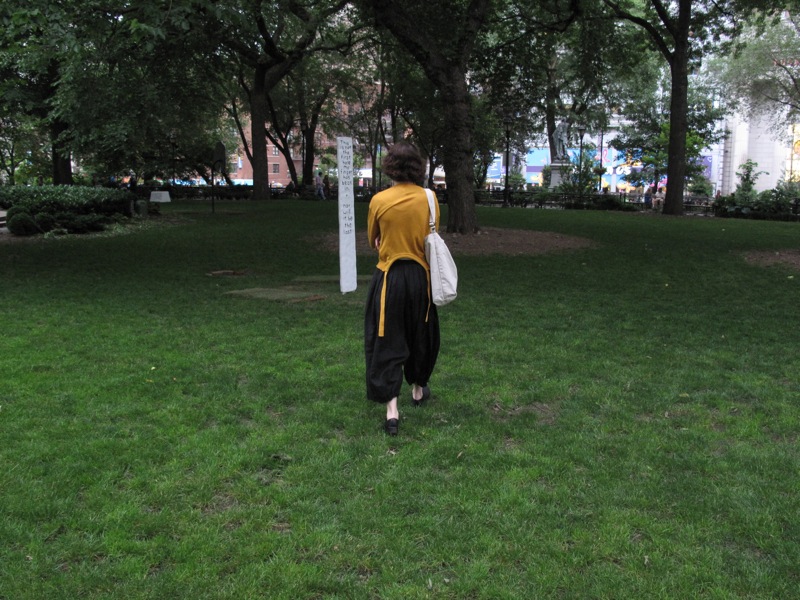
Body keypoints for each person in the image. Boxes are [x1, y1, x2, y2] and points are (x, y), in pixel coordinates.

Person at [364, 141, 440, 436]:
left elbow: (373, 240)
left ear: (390, 166)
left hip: (389, 279)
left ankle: (392, 411)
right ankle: (418, 390)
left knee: (387, 338)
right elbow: (431, 237)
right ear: (417, 167)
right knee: (421, 334)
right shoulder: (430, 198)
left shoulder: (379, 200)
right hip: (421, 279)